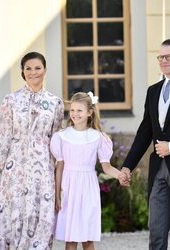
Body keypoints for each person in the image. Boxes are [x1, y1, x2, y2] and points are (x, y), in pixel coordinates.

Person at [0, 52, 64, 249]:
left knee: (40, 220)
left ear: (45, 70)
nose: (33, 72)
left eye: (37, 68)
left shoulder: (55, 103)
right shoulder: (11, 100)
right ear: (22, 72)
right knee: (9, 220)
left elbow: (57, 143)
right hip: (15, 170)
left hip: (42, 172)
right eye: (28, 68)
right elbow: (2, 136)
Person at [120, 39, 170, 249]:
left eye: (169, 56)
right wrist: (127, 166)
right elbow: (145, 132)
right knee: (156, 233)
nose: (164, 60)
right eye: (160, 57)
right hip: (158, 171)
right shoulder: (153, 91)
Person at [50, 92, 128, 250]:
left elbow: (106, 167)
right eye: (72, 110)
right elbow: (59, 167)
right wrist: (57, 194)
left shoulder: (98, 138)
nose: (74, 114)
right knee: (70, 240)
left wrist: (120, 175)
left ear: (89, 112)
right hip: (68, 189)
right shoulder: (62, 137)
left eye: (79, 110)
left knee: (87, 240)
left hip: (88, 189)